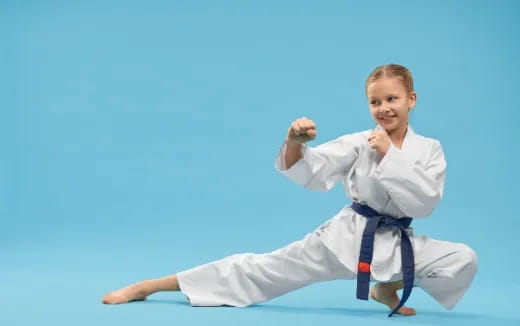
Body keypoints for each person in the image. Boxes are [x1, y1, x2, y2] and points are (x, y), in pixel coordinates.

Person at [101, 64, 477, 316]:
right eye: (375, 101)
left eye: (392, 99)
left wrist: (390, 158)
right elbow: (314, 169)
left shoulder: (429, 149)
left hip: (395, 243)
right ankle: (152, 285)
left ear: (411, 99)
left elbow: (426, 201)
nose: (383, 108)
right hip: (344, 240)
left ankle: (385, 288)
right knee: (260, 269)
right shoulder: (362, 141)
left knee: (462, 259)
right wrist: (295, 142)